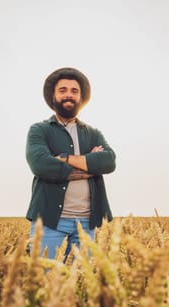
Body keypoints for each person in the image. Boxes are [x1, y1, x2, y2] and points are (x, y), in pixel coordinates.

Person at [25, 67, 116, 260]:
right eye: (63, 90)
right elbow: (41, 164)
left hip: (86, 224)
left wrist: (63, 159)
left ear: (81, 97)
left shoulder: (93, 133)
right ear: (53, 96)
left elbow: (108, 161)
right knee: (45, 282)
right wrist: (90, 165)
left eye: (74, 91)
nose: (69, 95)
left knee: (81, 283)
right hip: (48, 223)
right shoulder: (39, 130)